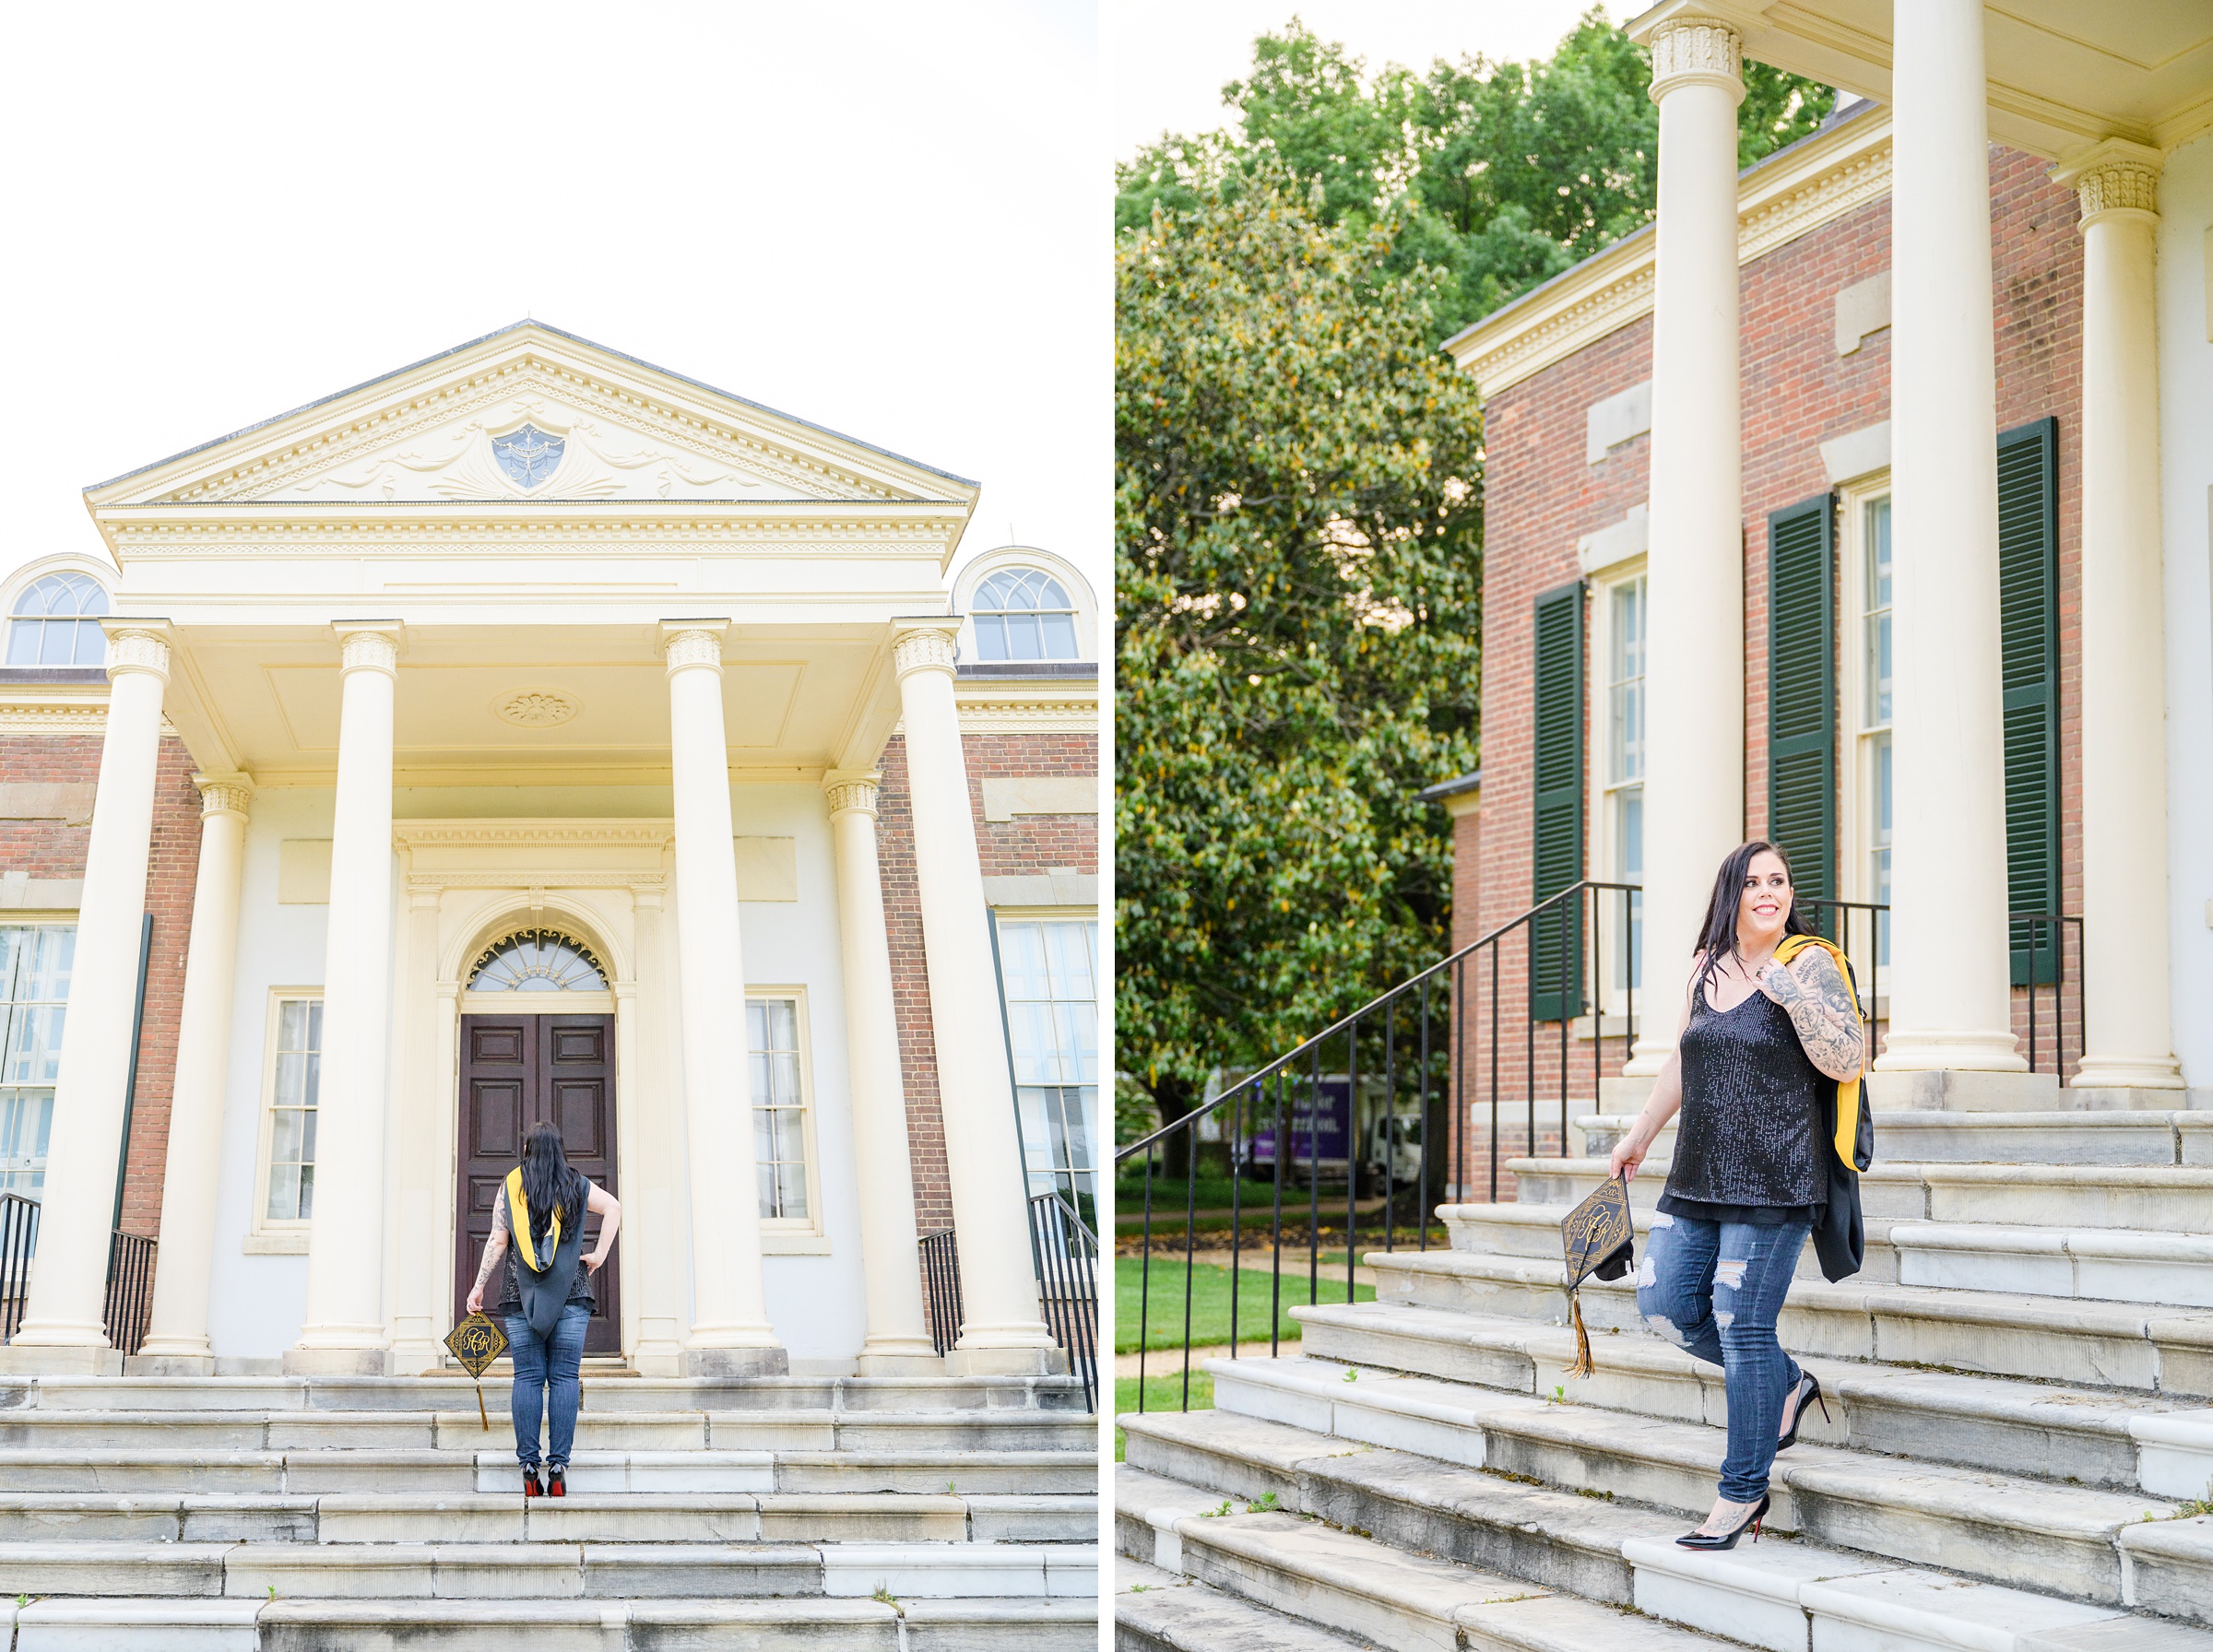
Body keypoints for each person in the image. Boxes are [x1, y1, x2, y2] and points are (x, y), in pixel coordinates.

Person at [1606, 841, 1864, 1550]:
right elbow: (1685, 1058)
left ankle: (1741, 1493)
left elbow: (1849, 1057)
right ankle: (1785, 1384)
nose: (1768, 891)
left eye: (1778, 879)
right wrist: (1641, 1133)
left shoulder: (1810, 961)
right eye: (1753, 881)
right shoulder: (1706, 966)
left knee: (1740, 1325)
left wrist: (1792, 994)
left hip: (1777, 1176)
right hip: (1699, 1173)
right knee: (1663, 1304)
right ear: (1731, 892)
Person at [466, 1121, 621, 1497]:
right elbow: (613, 1207)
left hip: (521, 1295)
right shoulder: (575, 1184)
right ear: (560, 1151)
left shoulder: (512, 1185)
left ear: (526, 1151)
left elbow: (497, 1241)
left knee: (529, 1377)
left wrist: (478, 1285)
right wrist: (599, 1255)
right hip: (571, 1292)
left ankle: (529, 1464)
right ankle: (558, 1465)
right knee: (565, 1377)